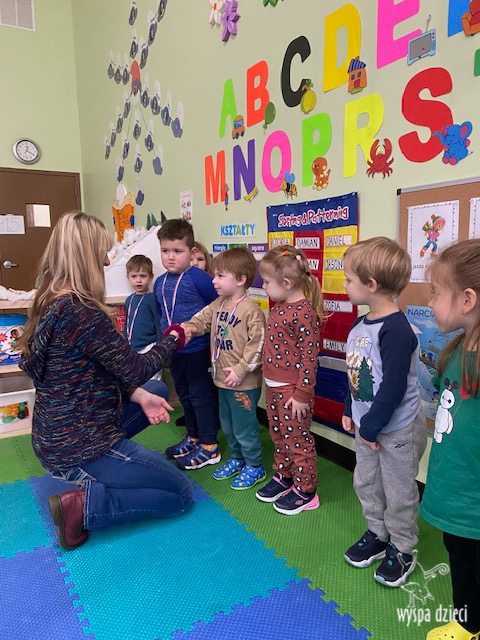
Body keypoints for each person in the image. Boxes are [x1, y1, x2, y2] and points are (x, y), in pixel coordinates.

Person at [19, 211, 193, 552]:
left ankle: (109, 473)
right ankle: (84, 506)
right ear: (85, 256)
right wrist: (175, 337)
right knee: (181, 494)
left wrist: (138, 395)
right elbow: (137, 368)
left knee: (155, 391)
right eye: (102, 251)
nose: (106, 260)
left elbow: (98, 370)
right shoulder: (82, 313)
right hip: (79, 444)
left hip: (54, 434)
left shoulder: (50, 301)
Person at [341, 237, 426, 588]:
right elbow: (355, 372)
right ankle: (377, 532)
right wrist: (350, 409)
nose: (345, 285)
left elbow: (392, 387)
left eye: (349, 279)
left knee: (399, 491)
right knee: (366, 482)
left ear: (371, 284)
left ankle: (403, 546)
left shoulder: (396, 330)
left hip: (397, 429)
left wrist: (371, 428)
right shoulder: (360, 325)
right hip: (368, 426)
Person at [421, 240, 480, 640]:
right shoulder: (456, 349)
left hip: (475, 500)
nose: (429, 302)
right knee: (460, 561)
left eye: (435, 292)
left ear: (467, 299)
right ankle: (467, 622)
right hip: (453, 494)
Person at [182, 247, 266, 489]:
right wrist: (189, 327)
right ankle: (237, 458)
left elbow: (258, 345)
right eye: (214, 275)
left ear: (240, 279)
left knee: (244, 427)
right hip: (222, 380)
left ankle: (254, 465)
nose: (213, 280)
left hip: (244, 383)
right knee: (228, 425)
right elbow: (202, 318)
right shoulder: (219, 304)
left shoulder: (252, 311)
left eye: (220, 276)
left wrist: (241, 369)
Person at [255, 245, 325, 515]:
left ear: (286, 283)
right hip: (273, 386)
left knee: (297, 438)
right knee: (279, 434)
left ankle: (306, 490)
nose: (264, 287)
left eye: (267, 282)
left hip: (292, 392)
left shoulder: (304, 313)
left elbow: (309, 359)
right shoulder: (279, 307)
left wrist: (302, 394)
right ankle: (285, 475)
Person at [154, 218, 219, 470]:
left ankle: (210, 446)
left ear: (191, 253)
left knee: (201, 397)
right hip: (174, 351)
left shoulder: (200, 278)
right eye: (165, 250)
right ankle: (193, 438)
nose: (170, 257)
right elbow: (162, 313)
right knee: (184, 396)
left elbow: (216, 307)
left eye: (177, 251)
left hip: (198, 350)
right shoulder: (159, 282)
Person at [175, 240, 213, 428]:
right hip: (186, 344)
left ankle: (209, 421)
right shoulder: (182, 283)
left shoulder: (209, 284)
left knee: (204, 388)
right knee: (188, 387)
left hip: (206, 344)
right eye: (192, 259)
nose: (196, 263)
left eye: (200, 259)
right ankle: (192, 419)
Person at [124, 254, 162, 351]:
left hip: (149, 347)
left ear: (151, 277)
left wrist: (160, 347)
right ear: (128, 278)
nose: (138, 280)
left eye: (143, 276)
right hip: (131, 348)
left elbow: (159, 324)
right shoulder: (129, 300)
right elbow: (127, 324)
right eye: (133, 276)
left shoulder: (153, 299)